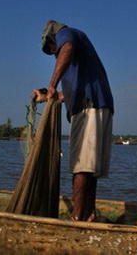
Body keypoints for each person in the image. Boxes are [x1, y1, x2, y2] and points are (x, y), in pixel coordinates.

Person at [33, 20, 114, 221]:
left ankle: (76, 216)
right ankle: (90, 214)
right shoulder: (80, 62)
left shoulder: (66, 35)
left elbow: (66, 48)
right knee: (90, 166)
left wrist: (51, 85)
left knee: (81, 165)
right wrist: (50, 95)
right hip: (99, 103)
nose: (54, 53)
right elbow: (67, 94)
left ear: (52, 38)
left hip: (88, 107)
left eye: (52, 49)